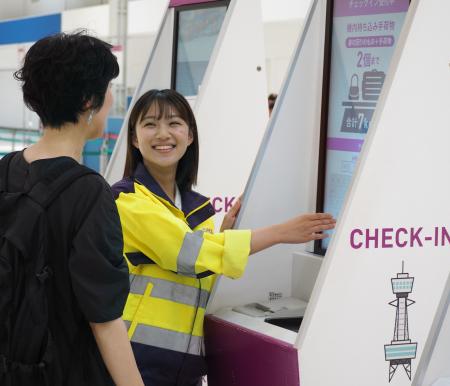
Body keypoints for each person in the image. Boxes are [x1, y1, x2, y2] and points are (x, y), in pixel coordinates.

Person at [111, 89, 336, 386]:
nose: (163, 134)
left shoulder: (198, 207)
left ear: (190, 135)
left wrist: (224, 236)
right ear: (135, 139)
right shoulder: (127, 200)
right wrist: (280, 233)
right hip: (136, 362)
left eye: (174, 123)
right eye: (150, 124)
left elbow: (195, 276)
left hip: (186, 365)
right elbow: (188, 254)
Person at [0, 32, 144, 386]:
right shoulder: (90, 193)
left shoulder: (4, 171)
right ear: (87, 101)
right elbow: (105, 321)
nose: (112, 100)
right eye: (109, 88)